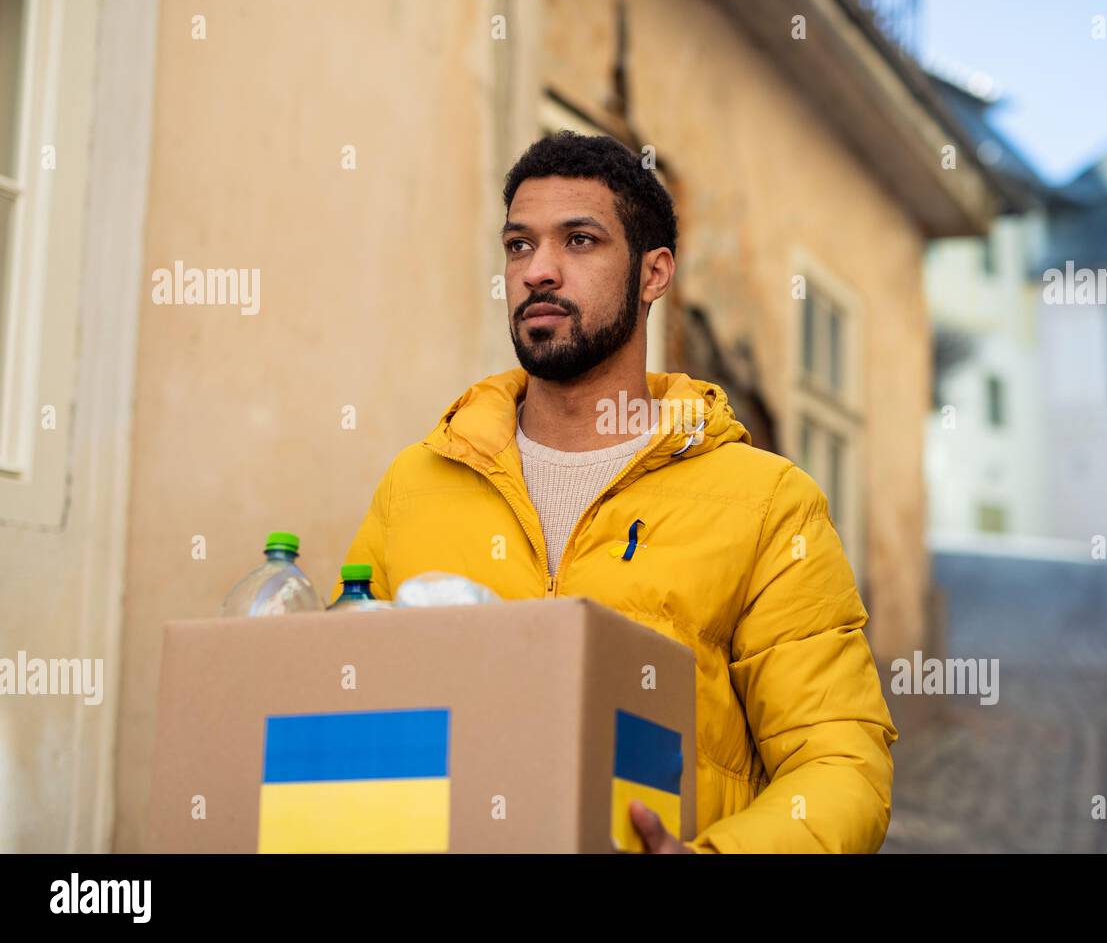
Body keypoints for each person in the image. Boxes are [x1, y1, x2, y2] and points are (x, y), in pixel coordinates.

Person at [334, 131, 898, 852]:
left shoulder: (768, 505)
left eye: (579, 241)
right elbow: (344, 706)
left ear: (654, 273)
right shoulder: (416, 483)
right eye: (518, 245)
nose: (539, 270)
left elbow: (841, 763)